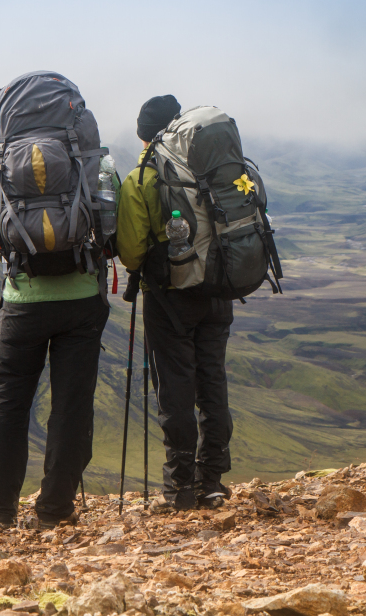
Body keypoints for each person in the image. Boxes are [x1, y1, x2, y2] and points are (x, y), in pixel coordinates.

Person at [0, 80, 116, 530]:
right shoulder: (96, 164)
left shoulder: (1, 168)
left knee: (9, 403)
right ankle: (55, 509)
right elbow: (111, 229)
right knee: (72, 407)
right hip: (81, 302)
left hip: (22, 303)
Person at [116, 94, 235, 511]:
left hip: (170, 299)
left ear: (145, 136)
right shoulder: (214, 167)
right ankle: (213, 480)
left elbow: (130, 253)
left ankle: (180, 487)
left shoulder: (142, 178)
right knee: (212, 383)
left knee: (176, 392)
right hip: (219, 290)